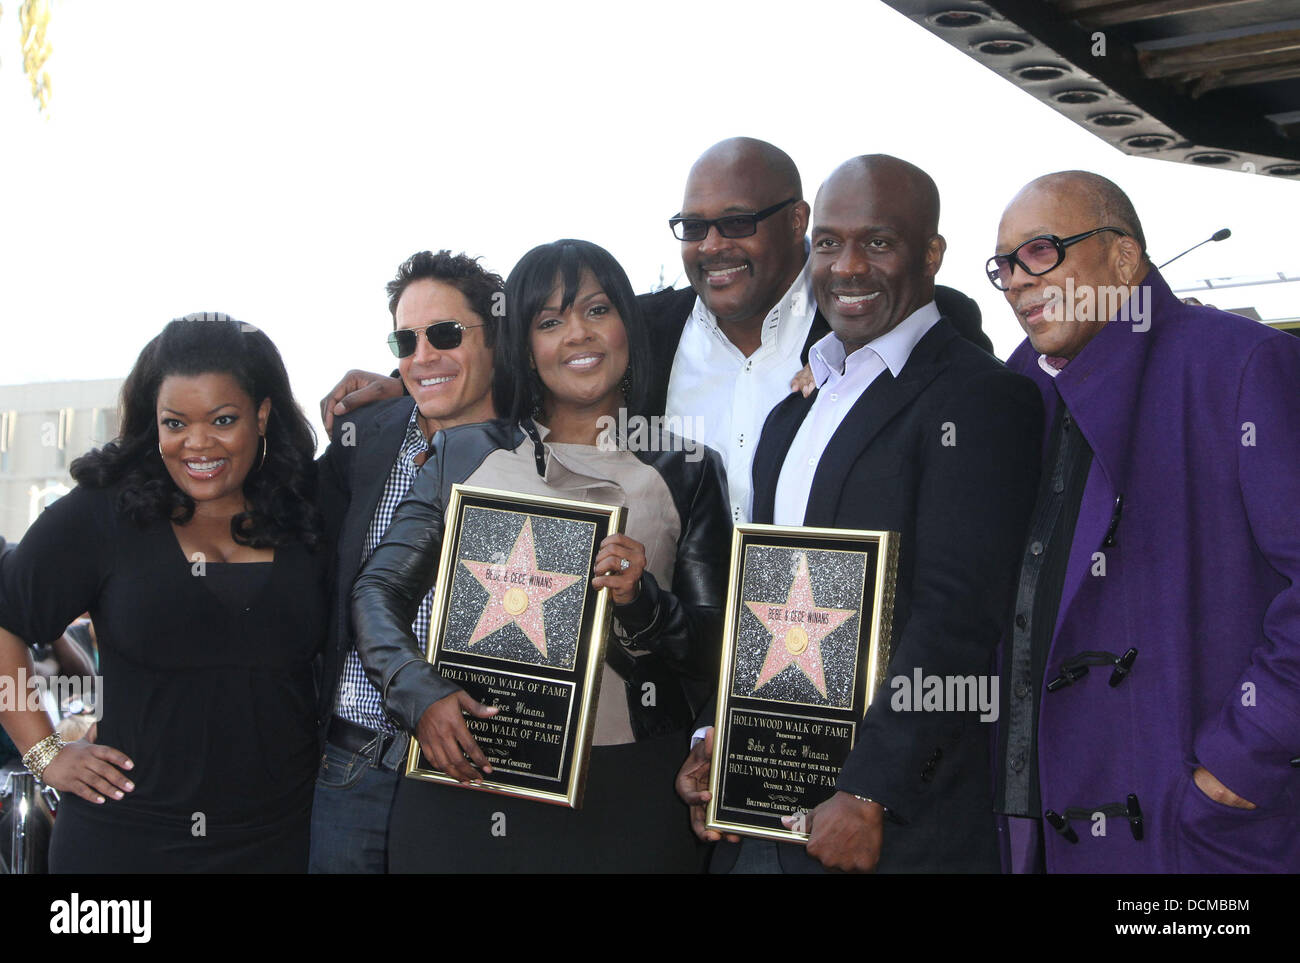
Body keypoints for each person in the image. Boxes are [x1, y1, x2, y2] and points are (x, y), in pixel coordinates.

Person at [677, 156, 1042, 873]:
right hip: (765, 808)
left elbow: (957, 618)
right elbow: (768, 603)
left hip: (891, 824)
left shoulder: (977, 397)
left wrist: (872, 790)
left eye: (877, 243)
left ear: (930, 254)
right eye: (828, 243)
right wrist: (721, 735)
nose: (847, 267)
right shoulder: (796, 409)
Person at [320, 138, 992, 525]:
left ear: (797, 222)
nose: (712, 245)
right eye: (693, 228)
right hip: (663, 661)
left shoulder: (867, 322)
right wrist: (409, 390)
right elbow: (542, 373)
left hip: (822, 671)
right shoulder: (637, 329)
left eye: (736, 222)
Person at [351, 239, 731, 872]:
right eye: (549, 321)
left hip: (628, 796)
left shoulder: (688, 468)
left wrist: (643, 603)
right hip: (470, 775)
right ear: (522, 345)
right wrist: (416, 689)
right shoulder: (464, 454)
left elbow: (715, 649)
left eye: (597, 310)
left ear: (627, 327)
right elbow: (375, 590)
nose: (577, 335)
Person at [989, 171, 1300, 873]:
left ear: (1124, 257)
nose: (1015, 281)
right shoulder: (1022, 385)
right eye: (1004, 265)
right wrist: (831, 378)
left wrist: (1239, 765)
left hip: (1194, 834)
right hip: (1041, 829)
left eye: (1040, 251)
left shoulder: (1244, 363)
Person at [0, 313, 327, 873]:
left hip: (280, 840)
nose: (197, 444)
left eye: (223, 420)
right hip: (126, 842)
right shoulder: (102, 514)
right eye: (175, 423)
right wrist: (43, 752)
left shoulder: (311, 513)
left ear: (263, 414)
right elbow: (6, 624)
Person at [310, 250, 502, 873]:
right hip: (351, 767)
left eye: (445, 334)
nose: (423, 357)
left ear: (494, 336)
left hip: (476, 773)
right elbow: (274, 531)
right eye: (406, 339)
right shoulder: (364, 435)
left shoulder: (538, 451)